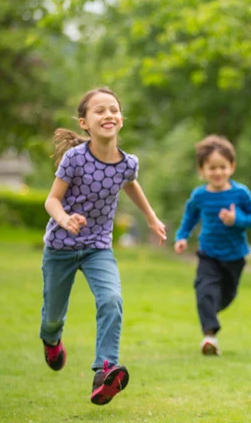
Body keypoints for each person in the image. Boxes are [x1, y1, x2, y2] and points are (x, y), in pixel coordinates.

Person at [40, 86, 167, 405]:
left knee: (111, 299)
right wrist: (65, 219)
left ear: (121, 118)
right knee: (53, 316)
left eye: (113, 109)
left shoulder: (127, 163)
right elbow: (52, 200)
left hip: (98, 247)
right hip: (60, 246)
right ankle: (51, 339)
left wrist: (151, 217)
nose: (108, 114)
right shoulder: (75, 159)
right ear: (84, 122)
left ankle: (105, 368)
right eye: (99, 110)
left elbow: (130, 185)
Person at [174, 135, 251, 356]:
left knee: (225, 297)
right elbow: (189, 218)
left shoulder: (240, 193)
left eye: (222, 167)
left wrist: (236, 220)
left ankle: (210, 312)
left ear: (231, 167)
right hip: (208, 253)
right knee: (204, 290)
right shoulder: (200, 195)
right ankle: (209, 337)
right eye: (211, 168)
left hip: (234, 256)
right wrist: (182, 237)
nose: (217, 172)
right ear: (202, 170)